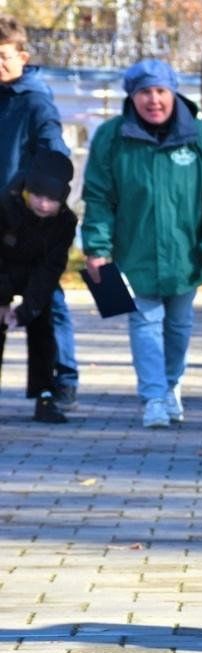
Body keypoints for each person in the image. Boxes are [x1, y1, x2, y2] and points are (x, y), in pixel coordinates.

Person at [81, 59, 202, 429]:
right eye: (144, 93)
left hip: (186, 253)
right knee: (144, 324)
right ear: (132, 97)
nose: (154, 100)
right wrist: (97, 249)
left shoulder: (200, 135)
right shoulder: (111, 137)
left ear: (173, 93)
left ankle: (171, 384)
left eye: (160, 91)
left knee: (179, 326)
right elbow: (99, 198)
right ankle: (153, 397)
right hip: (135, 254)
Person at [0, 15, 79, 410]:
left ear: (23, 56)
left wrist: (35, 192)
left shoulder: (35, 99)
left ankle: (62, 379)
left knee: (48, 299)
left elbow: (54, 152)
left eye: (2, 57)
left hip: (26, 215)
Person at [0, 149, 77, 423]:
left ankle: (45, 393)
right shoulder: (5, 205)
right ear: (28, 190)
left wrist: (25, 311)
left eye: (52, 200)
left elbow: (51, 268)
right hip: (3, 269)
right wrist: (3, 300)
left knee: (44, 325)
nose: (44, 205)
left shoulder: (66, 222)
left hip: (37, 275)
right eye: (39, 197)